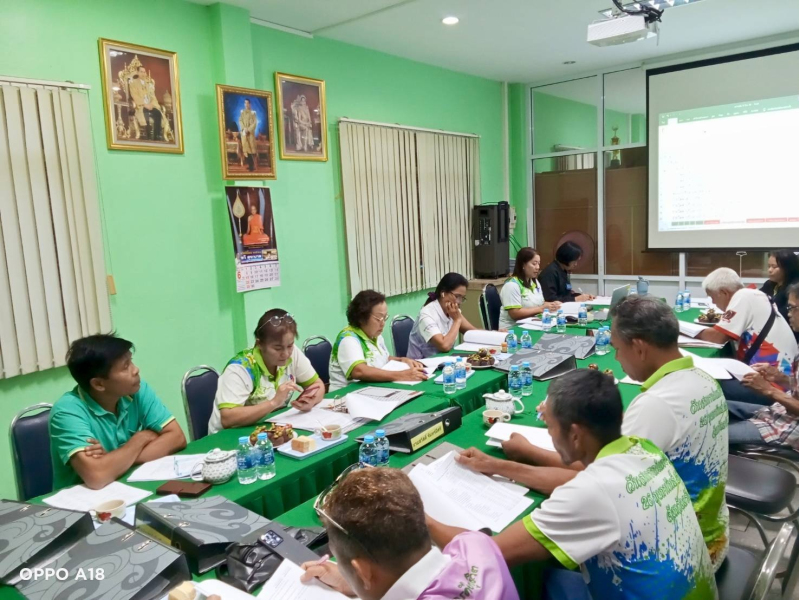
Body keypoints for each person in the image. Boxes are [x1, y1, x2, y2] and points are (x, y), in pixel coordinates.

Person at [457, 297, 729, 569]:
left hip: (685, 550)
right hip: (710, 531)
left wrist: (519, 456)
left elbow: (589, 479)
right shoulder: (702, 379)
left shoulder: (656, 406)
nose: (617, 358)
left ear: (639, 348)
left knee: (543, 571)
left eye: (617, 349)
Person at [429, 370, 717, 600]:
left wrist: (421, 517)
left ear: (576, 435)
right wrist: (497, 465)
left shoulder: (593, 492)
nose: (550, 435)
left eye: (550, 426)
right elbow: (578, 481)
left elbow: (487, 553)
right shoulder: (642, 449)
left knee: (527, 584)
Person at [301, 467, 519, 600]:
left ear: (362, 571)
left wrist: (361, 585)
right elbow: (468, 539)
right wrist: (355, 583)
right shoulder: (477, 546)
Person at [49, 334, 187, 490]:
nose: (136, 370)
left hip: (127, 487)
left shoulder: (136, 390)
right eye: (125, 366)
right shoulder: (67, 412)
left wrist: (112, 461)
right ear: (99, 384)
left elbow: (177, 437)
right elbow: (97, 476)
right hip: (82, 500)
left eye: (131, 361)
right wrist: (141, 438)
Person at [208, 309, 325, 435]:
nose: (286, 354)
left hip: (267, 428)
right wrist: (274, 402)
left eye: (290, 346)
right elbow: (228, 418)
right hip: (227, 437)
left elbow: (317, 385)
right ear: (259, 344)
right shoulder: (240, 368)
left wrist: (311, 401)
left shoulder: (292, 353)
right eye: (277, 348)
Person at [697, 267, 798, 405]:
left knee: (709, 387)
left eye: (713, 297)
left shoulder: (743, 296)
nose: (713, 303)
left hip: (774, 386)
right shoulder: (754, 294)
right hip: (782, 381)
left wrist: (682, 330)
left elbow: (717, 337)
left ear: (724, 292)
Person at [728, 282, 799, 449]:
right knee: (715, 406)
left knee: (706, 435)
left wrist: (768, 389)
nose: (789, 314)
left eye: (792, 308)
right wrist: (781, 378)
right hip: (780, 413)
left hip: (788, 429)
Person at [329, 290, 428, 391]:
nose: (383, 323)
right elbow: (359, 371)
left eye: (385, 318)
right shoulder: (348, 339)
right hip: (346, 395)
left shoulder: (374, 335)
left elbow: (382, 358)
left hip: (372, 389)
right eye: (379, 319)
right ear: (361, 318)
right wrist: (402, 375)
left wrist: (402, 360)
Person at [407, 273, 481, 360]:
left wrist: (493, 334)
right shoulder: (426, 314)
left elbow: (473, 332)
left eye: (462, 298)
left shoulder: (453, 312)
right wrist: (457, 321)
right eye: (457, 296)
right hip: (421, 365)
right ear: (443, 293)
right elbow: (444, 346)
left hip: (445, 361)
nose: (459, 302)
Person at [499, 247, 560, 330]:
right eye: (534, 264)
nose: (537, 267)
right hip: (513, 329)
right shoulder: (512, 285)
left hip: (532, 324)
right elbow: (514, 313)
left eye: (538, 264)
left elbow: (538, 303)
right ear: (523, 265)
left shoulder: (535, 282)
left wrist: (551, 305)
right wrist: (541, 309)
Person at [761, 250, 799, 342]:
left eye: (774, 267)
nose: (770, 270)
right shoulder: (769, 284)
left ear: (788, 268)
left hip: (789, 334)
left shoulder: (794, 288)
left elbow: (783, 314)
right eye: (769, 266)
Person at [129, 65, 163, 141]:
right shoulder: (133, 83)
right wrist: (144, 104)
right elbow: (134, 95)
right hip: (141, 106)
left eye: (144, 72)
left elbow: (153, 96)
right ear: (137, 72)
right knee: (145, 114)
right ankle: (148, 136)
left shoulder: (148, 83)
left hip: (150, 105)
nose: (143, 74)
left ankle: (157, 136)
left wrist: (152, 104)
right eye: (141, 72)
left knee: (158, 113)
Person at [239, 98, 258, 172]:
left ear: (250, 104)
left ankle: (252, 166)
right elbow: (240, 121)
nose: (246, 104)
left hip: (250, 134)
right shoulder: (242, 113)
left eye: (247, 103)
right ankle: (249, 165)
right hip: (244, 133)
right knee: (246, 149)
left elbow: (254, 123)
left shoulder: (253, 113)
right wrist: (244, 128)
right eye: (245, 103)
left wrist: (248, 129)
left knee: (251, 149)